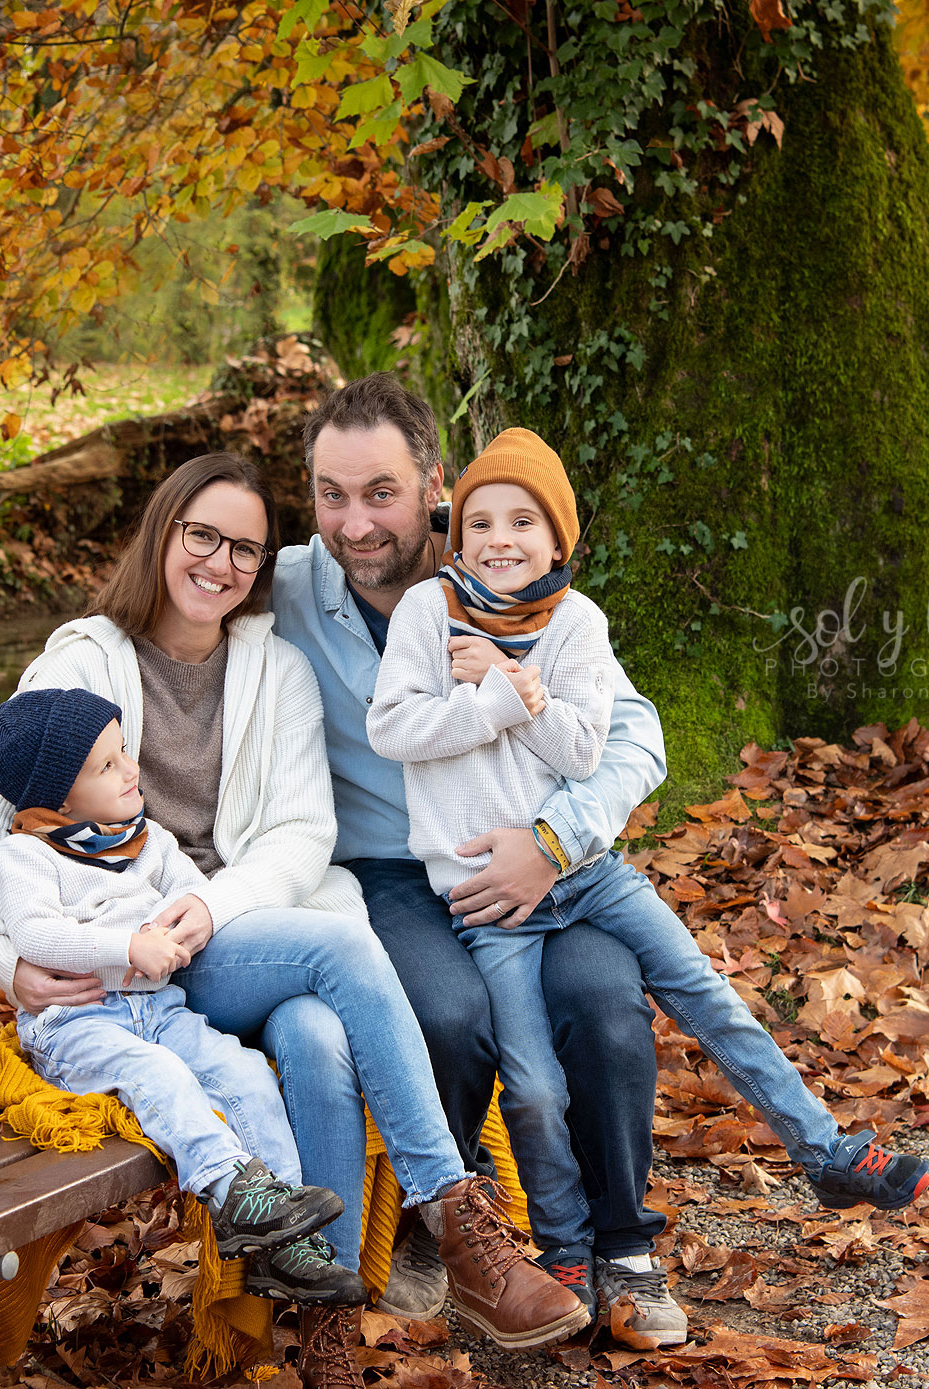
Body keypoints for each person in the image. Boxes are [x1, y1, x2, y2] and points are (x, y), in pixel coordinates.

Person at [0, 453, 590, 1381]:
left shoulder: (275, 667)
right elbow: (5, 815)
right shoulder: (86, 656)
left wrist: (209, 903)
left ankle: (315, 1316)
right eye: (202, 535)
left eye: (246, 547)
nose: (222, 562)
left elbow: (297, 834)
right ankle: (452, 1208)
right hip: (125, 955)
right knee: (339, 949)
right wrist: (8, 966)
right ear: (164, 533)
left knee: (318, 1033)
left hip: (226, 928)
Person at [368, 427, 929, 1306]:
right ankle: (564, 1249)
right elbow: (394, 729)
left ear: (559, 541)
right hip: (486, 900)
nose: (498, 540)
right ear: (456, 532)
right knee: (532, 1083)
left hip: (586, 870)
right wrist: (492, 700)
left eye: (523, 522)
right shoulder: (425, 615)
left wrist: (518, 685)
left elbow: (589, 744)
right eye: (479, 522)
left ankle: (825, 1150)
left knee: (708, 994)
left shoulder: (578, 623)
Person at [267, 376, 691, 1346]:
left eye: (379, 492)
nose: (354, 521)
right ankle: (447, 1228)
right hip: (387, 869)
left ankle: (623, 1251)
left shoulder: (514, 583)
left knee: (604, 996)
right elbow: (145, 604)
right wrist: (32, 711)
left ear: (432, 487)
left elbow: (635, 741)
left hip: (532, 858)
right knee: (449, 1014)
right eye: (331, 494)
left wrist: (552, 845)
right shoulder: (293, 582)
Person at [0, 686, 362, 1307]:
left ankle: (285, 1237)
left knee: (243, 1074)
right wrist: (128, 944)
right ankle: (231, 1189)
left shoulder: (144, 838)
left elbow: (188, 892)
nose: (131, 769)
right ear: (57, 796)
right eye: (108, 765)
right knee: (158, 1073)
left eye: (125, 751)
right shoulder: (27, 854)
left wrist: (186, 919)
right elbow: (35, 935)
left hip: (158, 1009)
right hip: (77, 1023)